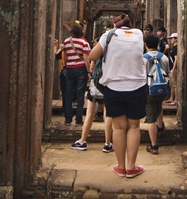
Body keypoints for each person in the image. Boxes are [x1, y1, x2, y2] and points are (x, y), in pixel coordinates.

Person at [88, 13, 147, 179]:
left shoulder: (108, 35)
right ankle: (131, 167)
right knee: (134, 126)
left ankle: (121, 167)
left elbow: (92, 56)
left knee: (119, 127)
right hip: (137, 86)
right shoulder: (139, 33)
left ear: (115, 26)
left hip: (114, 87)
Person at [70, 77, 114, 152]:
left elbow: (91, 67)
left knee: (89, 114)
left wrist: (90, 73)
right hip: (108, 85)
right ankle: (107, 143)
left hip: (95, 85)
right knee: (107, 116)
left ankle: (82, 141)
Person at [143, 34, 169, 155]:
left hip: (149, 89)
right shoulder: (164, 57)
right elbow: (167, 73)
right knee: (159, 106)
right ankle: (160, 127)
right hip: (163, 89)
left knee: (150, 118)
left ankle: (153, 145)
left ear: (145, 45)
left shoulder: (143, 58)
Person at [63, 22, 91, 126]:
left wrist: (66, 65)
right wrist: (88, 71)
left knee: (68, 93)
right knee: (80, 94)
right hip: (80, 68)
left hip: (69, 68)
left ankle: (68, 119)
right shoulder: (83, 42)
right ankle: (78, 119)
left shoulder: (66, 41)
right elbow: (85, 57)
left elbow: (65, 55)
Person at [165, 33, 178, 106]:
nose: (171, 40)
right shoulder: (173, 47)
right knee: (171, 84)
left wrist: (173, 69)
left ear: (176, 39)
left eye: (172, 39)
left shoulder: (176, 48)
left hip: (174, 69)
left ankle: (176, 100)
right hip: (170, 68)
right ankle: (171, 98)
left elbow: (176, 59)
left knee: (175, 84)